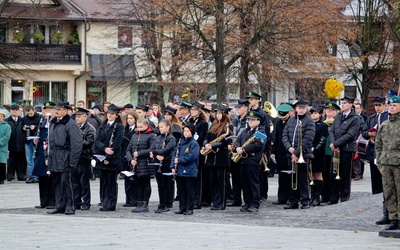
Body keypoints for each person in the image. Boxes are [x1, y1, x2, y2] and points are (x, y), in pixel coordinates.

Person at [46, 102, 83, 215]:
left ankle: (69, 206)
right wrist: (48, 156)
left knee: (66, 182)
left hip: (65, 156)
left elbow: (76, 144)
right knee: (56, 182)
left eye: (59, 109)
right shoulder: (53, 123)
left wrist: (72, 161)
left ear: (66, 110)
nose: (56, 111)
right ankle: (59, 205)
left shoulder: (70, 124)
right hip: (55, 156)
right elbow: (49, 142)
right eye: (55, 109)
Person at [282, 99, 315, 209]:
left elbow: (307, 139)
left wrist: (297, 153)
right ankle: (293, 201)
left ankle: (305, 200)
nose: (301, 110)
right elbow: (285, 135)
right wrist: (289, 148)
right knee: (292, 178)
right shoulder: (291, 120)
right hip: (290, 153)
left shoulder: (309, 121)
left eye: (303, 108)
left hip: (303, 155)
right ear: (295, 109)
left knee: (302, 178)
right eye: (299, 108)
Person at [362, 96, 390, 225]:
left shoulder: (387, 117)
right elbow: (363, 132)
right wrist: (368, 133)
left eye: (379, 105)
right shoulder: (372, 118)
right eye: (375, 105)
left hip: (385, 154)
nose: (377, 107)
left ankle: (389, 213)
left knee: (388, 186)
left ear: (384, 105)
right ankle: (386, 213)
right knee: (380, 185)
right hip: (374, 152)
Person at [328, 96, 361, 205]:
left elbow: (351, 134)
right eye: (342, 103)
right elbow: (332, 130)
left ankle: (344, 196)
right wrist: (333, 143)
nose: (343, 104)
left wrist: (337, 143)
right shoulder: (338, 116)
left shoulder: (355, 118)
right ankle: (333, 197)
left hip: (346, 149)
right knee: (333, 172)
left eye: (345, 103)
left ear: (351, 104)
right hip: (336, 149)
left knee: (345, 173)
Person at [233, 111, 266, 212]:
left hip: (253, 160)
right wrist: (237, 147)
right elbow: (238, 140)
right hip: (243, 160)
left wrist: (244, 149)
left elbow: (258, 145)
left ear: (258, 121)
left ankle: (255, 203)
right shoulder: (245, 131)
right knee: (245, 183)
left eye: (253, 120)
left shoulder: (261, 131)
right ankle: (247, 202)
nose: (250, 122)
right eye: (249, 120)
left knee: (253, 182)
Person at [375, 95, 400, 230]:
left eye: (394, 105)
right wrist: (379, 162)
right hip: (386, 163)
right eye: (390, 105)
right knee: (389, 192)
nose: (391, 107)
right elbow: (378, 145)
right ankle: (393, 218)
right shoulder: (385, 125)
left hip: (398, 163)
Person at [94, 104, 124, 212]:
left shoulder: (119, 126)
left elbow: (117, 142)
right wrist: (104, 148)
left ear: (116, 115)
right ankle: (104, 202)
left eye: (112, 114)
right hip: (102, 156)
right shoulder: (103, 125)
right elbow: (97, 140)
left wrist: (108, 156)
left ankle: (111, 204)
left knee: (111, 182)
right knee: (104, 182)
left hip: (113, 157)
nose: (110, 115)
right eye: (108, 113)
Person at [203, 105, 233, 210]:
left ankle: (222, 203)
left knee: (221, 181)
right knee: (213, 181)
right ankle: (215, 202)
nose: (218, 115)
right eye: (217, 113)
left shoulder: (228, 126)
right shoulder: (213, 125)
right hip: (211, 157)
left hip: (221, 157)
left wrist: (213, 145)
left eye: (220, 113)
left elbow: (226, 141)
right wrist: (206, 143)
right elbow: (207, 136)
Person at [126, 118, 155, 213]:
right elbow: (128, 149)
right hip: (136, 164)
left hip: (145, 163)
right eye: (138, 127)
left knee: (145, 184)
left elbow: (152, 149)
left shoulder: (151, 135)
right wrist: (130, 159)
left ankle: (145, 203)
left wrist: (140, 153)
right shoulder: (134, 135)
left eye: (141, 127)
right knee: (138, 184)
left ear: (147, 126)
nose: (139, 129)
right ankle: (139, 202)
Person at [245, 91, 271, 201]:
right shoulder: (250, 112)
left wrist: (264, 149)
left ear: (257, 100)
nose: (250, 101)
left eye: (252, 99)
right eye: (249, 99)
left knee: (261, 172)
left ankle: (262, 194)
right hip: (250, 145)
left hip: (260, 145)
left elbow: (265, 132)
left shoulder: (262, 114)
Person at [171, 124, 200, 215]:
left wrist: (179, 160)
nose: (185, 133)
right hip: (180, 170)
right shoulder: (181, 142)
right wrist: (172, 166)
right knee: (181, 190)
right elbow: (175, 154)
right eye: (185, 131)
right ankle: (182, 207)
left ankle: (189, 208)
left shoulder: (194, 143)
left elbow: (192, 156)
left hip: (189, 170)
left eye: (188, 131)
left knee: (189, 190)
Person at [32, 101, 56, 209]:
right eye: (45, 109)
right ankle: (43, 201)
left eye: (49, 109)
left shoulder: (55, 122)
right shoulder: (42, 121)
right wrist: (36, 140)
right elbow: (40, 134)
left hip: (51, 153)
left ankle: (52, 201)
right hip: (41, 152)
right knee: (42, 177)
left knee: (50, 178)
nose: (47, 111)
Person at [72, 107, 96, 210]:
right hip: (75, 158)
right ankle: (76, 201)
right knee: (75, 182)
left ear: (85, 117)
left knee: (84, 182)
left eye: (79, 116)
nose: (76, 118)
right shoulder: (74, 127)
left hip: (85, 157)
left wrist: (77, 142)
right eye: (76, 116)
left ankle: (86, 202)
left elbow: (89, 143)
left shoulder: (90, 128)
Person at [227, 99, 249, 207]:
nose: (238, 110)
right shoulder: (236, 120)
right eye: (237, 107)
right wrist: (232, 144)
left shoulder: (249, 119)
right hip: (235, 150)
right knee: (235, 177)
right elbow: (234, 133)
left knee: (244, 178)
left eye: (239, 107)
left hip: (244, 151)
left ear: (245, 108)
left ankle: (247, 200)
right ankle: (236, 199)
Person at [151, 119, 176, 213]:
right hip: (158, 163)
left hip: (167, 163)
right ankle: (161, 202)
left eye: (162, 127)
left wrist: (158, 153)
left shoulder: (171, 138)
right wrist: (156, 154)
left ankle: (166, 203)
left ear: (168, 127)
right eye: (159, 127)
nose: (160, 129)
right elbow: (153, 148)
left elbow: (167, 149)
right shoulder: (157, 137)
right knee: (160, 185)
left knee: (166, 185)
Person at [190, 101, 210, 209]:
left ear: (199, 111)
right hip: (190, 151)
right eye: (191, 110)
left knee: (199, 177)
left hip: (198, 152)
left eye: (194, 110)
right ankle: (192, 199)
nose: (192, 112)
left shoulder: (203, 123)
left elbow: (201, 138)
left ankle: (198, 200)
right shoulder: (190, 121)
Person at [270, 103, 292, 205]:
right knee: (282, 176)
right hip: (280, 152)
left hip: (290, 151)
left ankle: (290, 197)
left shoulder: (292, 122)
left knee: (290, 176)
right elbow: (276, 137)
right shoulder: (278, 123)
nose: (282, 119)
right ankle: (281, 197)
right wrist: (273, 151)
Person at [309, 106, 328, 206]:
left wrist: (315, 151)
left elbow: (322, 140)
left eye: (316, 113)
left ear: (320, 114)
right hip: (309, 151)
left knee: (318, 173)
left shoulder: (323, 125)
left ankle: (317, 197)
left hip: (318, 153)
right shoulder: (309, 124)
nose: (313, 115)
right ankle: (312, 196)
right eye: (312, 113)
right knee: (311, 174)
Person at [321, 101, 340, 203]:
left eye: (332, 110)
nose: (329, 111)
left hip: (333, 151)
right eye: (327, 109)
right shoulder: (322, 121)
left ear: (337, 111)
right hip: (323, 151)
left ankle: (333, 196)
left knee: (332, 175)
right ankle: (324, 195)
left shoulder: (338, 121)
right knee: (323, 175)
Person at [121, 111, 139, 207]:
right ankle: (128, 199)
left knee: (133, 180)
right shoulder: (125, 130)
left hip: (134, 157)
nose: (129, 120)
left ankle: (134, 199)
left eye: (131, 118)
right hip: (125, 157)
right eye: (128, 118)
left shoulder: (136, 130)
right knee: (127, 179)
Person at [6, 104, 26, 181]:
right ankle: (10, 175)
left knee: (20, 161)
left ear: (18, 111)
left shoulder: (22, 120)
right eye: (13, 110)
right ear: (10, 111)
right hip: (10, 144)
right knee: (10, 160)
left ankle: (20, 175)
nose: (15, 111)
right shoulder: (7, 121)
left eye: (16, 110)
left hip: (21, 144)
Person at [22, 105, 41, 183]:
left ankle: (36, 175)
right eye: (28, 113)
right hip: (27, 140)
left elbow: (40, 127)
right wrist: (23, 129)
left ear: (34, 111)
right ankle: (31, 176)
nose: (30, 114)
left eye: (31, 113)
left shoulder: (39, 118)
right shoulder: (24, 118)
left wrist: (35, 127)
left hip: (36, 140)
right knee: (29, 160)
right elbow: (21, 129)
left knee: (35, 159)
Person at [0, 109, 11, 184]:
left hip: (2, 147)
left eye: (1, 116)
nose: (0, 117)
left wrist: (0, 141)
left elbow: (7, 136)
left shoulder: (7, 126)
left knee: (2, 164)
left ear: (3, 117)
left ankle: (1, 179)